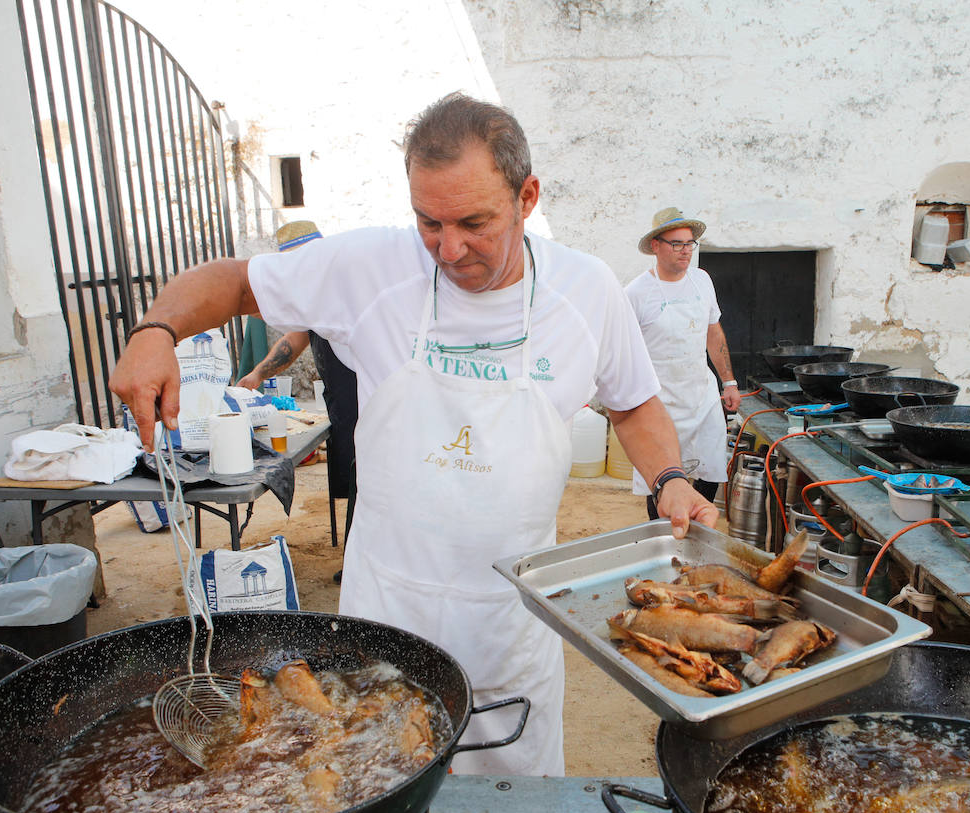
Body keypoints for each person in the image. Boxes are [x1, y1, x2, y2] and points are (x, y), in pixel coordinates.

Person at [109, 92, 717, 777]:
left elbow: (635, 406)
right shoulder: (371, 267)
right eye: (429, 221)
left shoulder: (587, 290)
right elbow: (230, 282)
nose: (449, 248)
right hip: (387, 616)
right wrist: (155, 332)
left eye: (474, 222)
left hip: (508, 626)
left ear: (528, 197)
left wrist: (668, 480)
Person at [237, 222, 360, 551]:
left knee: (371, 484)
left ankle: (361, 559)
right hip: (343, 402)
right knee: (355, 483)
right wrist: (258, 375)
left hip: (368, 400)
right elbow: (296, 337)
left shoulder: (347, 283)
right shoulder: (313, 289)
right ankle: (354, 554)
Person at [626, 207, 740, 519]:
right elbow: (626, 352)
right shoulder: (636, 293)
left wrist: (728, 382)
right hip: (661, 402)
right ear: (655, 246)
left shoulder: (702, 281)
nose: (685, 251)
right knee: (661, 478)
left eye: (690, 244)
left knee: (711, 469)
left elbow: (713, 333)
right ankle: (664, 540)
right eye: (677, 244)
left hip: (701, 396)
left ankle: (697, 535)